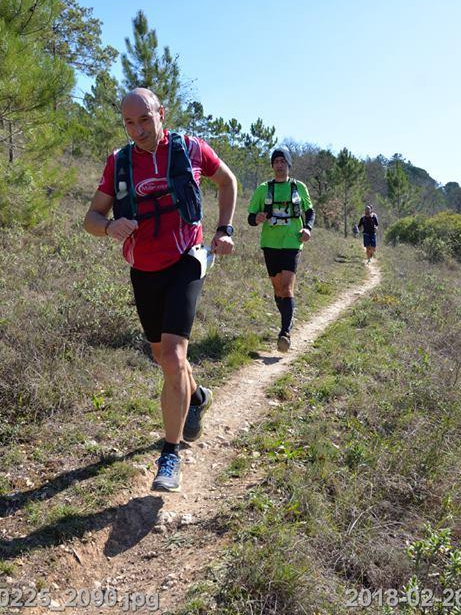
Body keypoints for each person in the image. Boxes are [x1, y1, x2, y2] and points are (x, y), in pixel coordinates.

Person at [83, 88, 238, 493]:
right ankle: (197, 396)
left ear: (161, 114)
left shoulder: (189, 150)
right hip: (144, 268)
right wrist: (108, 227)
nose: (138, 130)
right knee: (164, 360)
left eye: (145, 120)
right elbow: (91, 217)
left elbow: (228, 182)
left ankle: (170, 454)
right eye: (129, 123)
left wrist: (224, 229)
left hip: (187, 258)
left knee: (173, 354)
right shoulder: (118, 163)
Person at [247, 148, 315, 353]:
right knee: (278, 289)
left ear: (288, 165)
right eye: (276, 161)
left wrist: (307, 228)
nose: (279, 165)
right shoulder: (263, 189)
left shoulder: (298, 187)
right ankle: (289, 312)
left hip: (292, 242)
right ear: (272, 165)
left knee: (286, 287)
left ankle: (285, 332)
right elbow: (250, 218)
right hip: (270, 243)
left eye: (282, 161)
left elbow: (310, 211)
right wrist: (257, 218)